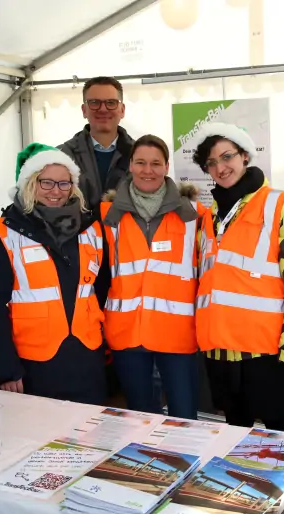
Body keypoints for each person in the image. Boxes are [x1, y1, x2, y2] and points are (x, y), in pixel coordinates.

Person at [192, 122, 284, 433]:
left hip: (270, 354)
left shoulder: (281, 207)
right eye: (212, 163)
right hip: (221, 351)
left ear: (245, 156)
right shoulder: (208, 218)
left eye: (227, 157)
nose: (221, 168)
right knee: (235, 436)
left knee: (279, 438)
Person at [0, 143, 109, 405]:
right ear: (30, 183)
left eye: (64, 183)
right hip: (34, 363)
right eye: (46, 183)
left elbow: (101, 288)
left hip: (87, 357)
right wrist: (7, 368)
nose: (55, 191)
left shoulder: (91, 229)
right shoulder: (6, 234)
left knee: (90, 436)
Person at [100, 134, 201, 419]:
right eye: (141, 162)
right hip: (127, 333)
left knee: (184, 418)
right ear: (129, 165)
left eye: (156, 163)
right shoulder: (107, 215)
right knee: (139, 418)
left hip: (178, 333)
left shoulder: (194, 214)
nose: (148, 170)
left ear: (167, 166)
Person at [59, 76, 134, 211]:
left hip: (128, 232)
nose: (103, 109)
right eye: (94, 102)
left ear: (122, 110)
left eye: (111, 103)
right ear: (84, 110)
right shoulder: (61, 156)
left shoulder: (141, 156)